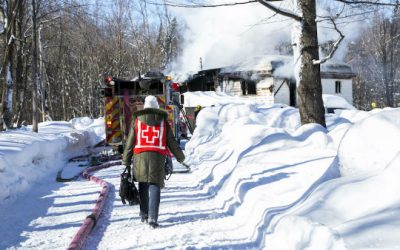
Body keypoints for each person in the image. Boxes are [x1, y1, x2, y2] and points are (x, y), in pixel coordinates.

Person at [122, 95, 185, 228]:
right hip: (157, 157)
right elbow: (171, 142)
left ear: (145, 106)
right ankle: (153, 218)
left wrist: (126, 159)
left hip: (140, 157)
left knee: (143, 184)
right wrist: (180, 157)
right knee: (155, 185)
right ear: (156, 106)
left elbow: (130, 142)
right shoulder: (163, 122)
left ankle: (144, 214)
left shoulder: (137, 121)